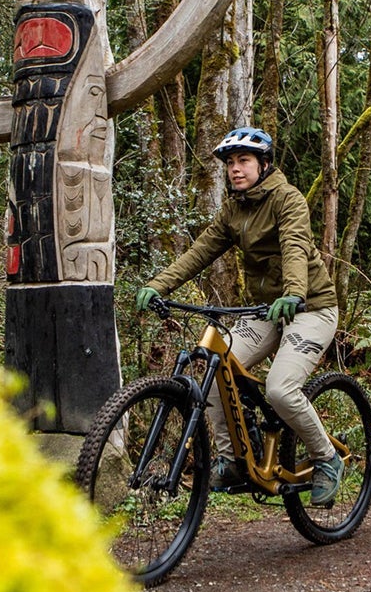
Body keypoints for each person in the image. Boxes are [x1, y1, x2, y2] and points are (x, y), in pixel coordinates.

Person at [135, 127, 346, 507]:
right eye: (230, 162)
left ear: (264, 164)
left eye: (244, 160)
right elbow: (200, 251)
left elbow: (295, 246)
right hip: (263, 310)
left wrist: (294, 292)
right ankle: (232, 461)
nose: (235, 169)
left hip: (311, 306)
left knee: (280, 389)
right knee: (216, 372)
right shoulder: (233, 209)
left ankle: (325, 458)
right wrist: (158, 285)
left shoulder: (287, 199)